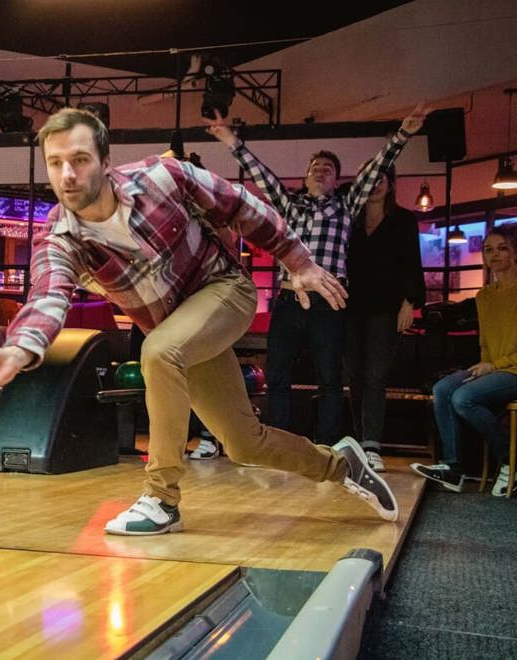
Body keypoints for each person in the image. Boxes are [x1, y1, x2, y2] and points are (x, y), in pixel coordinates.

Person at [0, 108, 399, 536]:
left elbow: (242, 206)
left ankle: (161, 498)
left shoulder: (163, 176)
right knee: (244, 443)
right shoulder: (60, 237)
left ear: (104, 160)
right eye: (55, 162)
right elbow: (48, 294)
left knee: (158, 350)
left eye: (79, 159)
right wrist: (19, 348)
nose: (67, 174)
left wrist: (297, 260)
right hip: (181, 328)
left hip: (224, 291)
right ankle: (340, 465)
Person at [201, 104, 428, 445]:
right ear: (305, 176)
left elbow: (377, 167)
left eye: (328, 169)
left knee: (330, 380)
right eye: (315, 168)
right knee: (277, 376)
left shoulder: (346, 205)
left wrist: (403, 134)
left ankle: (326, 446)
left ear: (337, 180)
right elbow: (262, 175)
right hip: (289, 300)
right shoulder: (291, 205)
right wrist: (231, 140)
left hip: (327, 304)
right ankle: (276, 442)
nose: (321, 172)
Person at [411, 224, 517, 495]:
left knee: (463, 398)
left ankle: (510, 462)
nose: (493, 255)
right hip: (494, 368)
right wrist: (487, 366)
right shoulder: (485, 296)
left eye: (502, 248)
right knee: (443, 389)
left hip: (512, 369)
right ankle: (453, 469)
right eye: (488, 249)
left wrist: (494, 366)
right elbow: (486, 342)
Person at [345, 164, 425, 472]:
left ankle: (372, 445)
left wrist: (410, 303)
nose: (376, 184)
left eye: (382, 178)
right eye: (370, 178)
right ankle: (359, 440)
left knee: (375, 376)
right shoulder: (349, 218)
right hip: (350, 307)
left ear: (391, 184)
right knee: (353, 375)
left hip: (387, 307)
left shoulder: (404, 219)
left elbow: (412, 263)